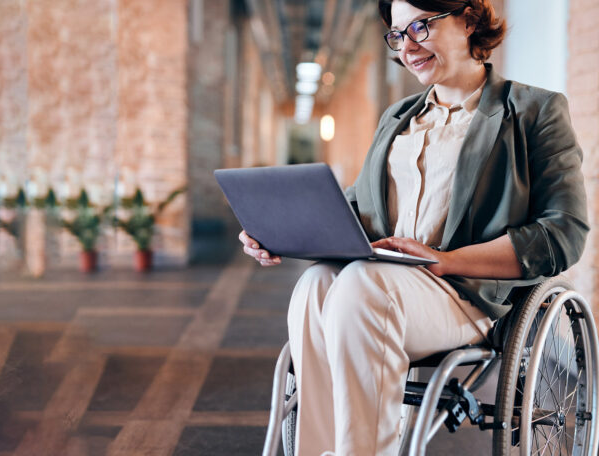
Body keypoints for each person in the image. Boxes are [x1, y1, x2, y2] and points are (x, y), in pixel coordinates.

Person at [238, 0, 589, 454]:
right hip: (386, 283)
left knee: (362, 286)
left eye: (420, 27)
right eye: (397, 35)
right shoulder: (397, 117)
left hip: (464, 293)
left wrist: (447, 261)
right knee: (314, 284)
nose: (407, 46)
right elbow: (358, 207)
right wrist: (278, 229)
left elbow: (565, 232)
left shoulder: (532, 111)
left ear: (467, 19)